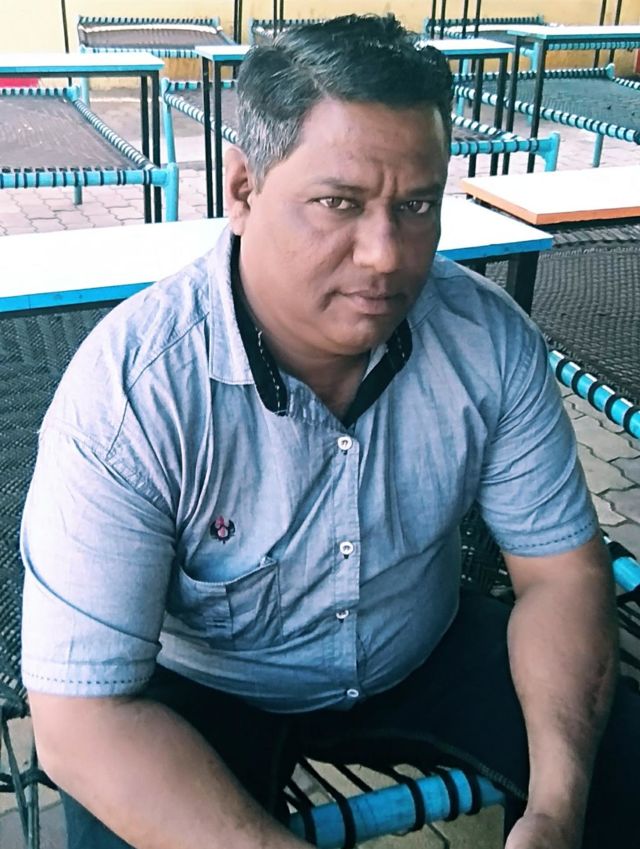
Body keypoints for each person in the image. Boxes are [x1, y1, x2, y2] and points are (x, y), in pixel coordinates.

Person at [20, 14, 637, 849]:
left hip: (421, 647)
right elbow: (80, 717)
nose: (386, 255)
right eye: (338, 203)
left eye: (416, 205)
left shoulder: (487, 341)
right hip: (206, 688)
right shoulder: (132, 395)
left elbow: (562, 573)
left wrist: (558, 811)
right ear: (243, 189)